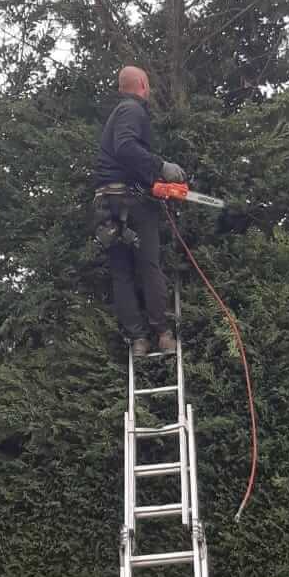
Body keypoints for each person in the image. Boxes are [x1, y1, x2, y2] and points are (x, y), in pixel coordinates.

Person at [93, 65, 186, 358]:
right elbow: (126, 148)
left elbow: (123, 156)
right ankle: (162, 334)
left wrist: (154, 182)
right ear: (143, 84)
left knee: (121, 273)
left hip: (106, 205)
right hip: (130, 202)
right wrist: (161, 167)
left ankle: (137, 340)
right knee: (148, 265)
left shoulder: (115, 115)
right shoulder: (132, 110)